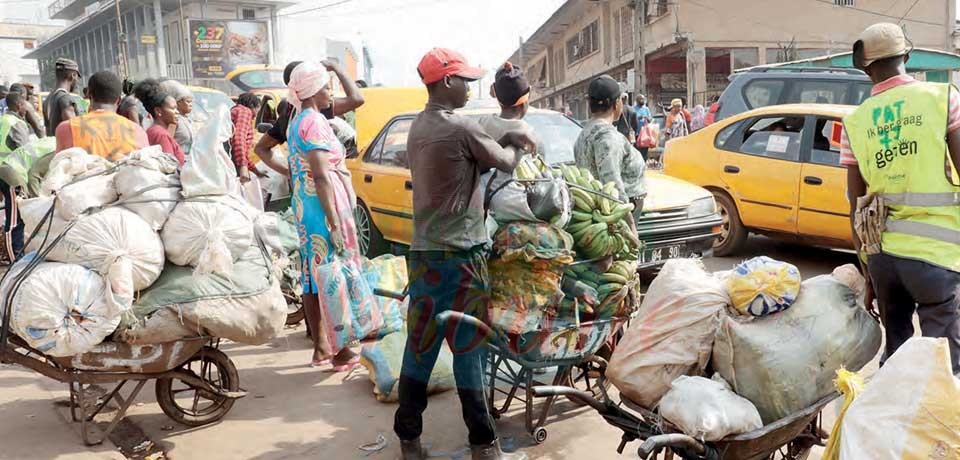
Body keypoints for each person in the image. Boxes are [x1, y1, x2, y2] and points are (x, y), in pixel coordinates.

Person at [395, 48, 535, 460]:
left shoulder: (418, 127)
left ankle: (409, 439)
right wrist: (519, 139)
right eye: (466, 82)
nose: (470, 89)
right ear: (446, 82)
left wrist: (501, 139)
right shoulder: (461, 127)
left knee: (419, 347)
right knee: (468, 350)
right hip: (462, 260)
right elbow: (506, 163)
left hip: (423, 257)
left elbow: (467, 165)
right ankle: (483, 445)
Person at [843, 22, 960, 375]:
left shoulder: (856, 122)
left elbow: (855, 206)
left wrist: (869, 275)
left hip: (885, 262)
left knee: (898, 361)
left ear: (866, 68)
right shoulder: (943, 99)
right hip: (936, 258)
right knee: (945, 368)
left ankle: (896, 426)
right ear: (906, 56)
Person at [258, 61, 363, 370]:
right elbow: (321, 176)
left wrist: (296, 174)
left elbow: (306, 169)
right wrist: (333, 223)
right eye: (328, 86)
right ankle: (340, 351)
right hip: (322, 206)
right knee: (332, 274)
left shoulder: (296, 120)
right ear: (316, 89)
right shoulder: (314, 122)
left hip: (307, 204)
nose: (331, 93)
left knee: (313, 275)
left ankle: (321, 346)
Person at [253, 60, 366, 168]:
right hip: (324, 176)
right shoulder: (314, 111)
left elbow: (260, 148)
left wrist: (289, 173)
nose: (329, 92)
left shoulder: (291, 114)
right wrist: (337, 69)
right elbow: (357, 99)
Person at [574, 75, 646, 228]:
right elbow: (611, 181)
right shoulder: (607, 137)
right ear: (617, 103)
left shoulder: (584, 133)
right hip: (616, 218)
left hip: (601, 214)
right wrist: (630, 225)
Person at [56, 71, 148, 160]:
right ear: (119, 101)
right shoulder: (137, 131)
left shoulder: (67, 128)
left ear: (90, 96)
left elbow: (60, 168)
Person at [0, 89, 34, 263]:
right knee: (15, 218)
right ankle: (16, 258)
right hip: (12, 173)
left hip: (2, 171)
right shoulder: (16, 123)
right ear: (20, 105)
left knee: (10, 213)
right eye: (25, 105)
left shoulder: (2, 120)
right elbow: (26, 151)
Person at [135, 79, 185, 166]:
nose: (177, 112)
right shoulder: (160, 134)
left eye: (176, 108)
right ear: (158, 111)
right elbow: (169, 166)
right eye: (173, 108)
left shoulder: (156, 131)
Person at [44, 58, 85, 137]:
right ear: (73, 75)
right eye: (77, 76)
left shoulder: (48, 99)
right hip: (68, 148)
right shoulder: (65, 98)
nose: (77, 81)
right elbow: (75, 132)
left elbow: (48, 131)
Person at [230, 93, 262, 182]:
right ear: (252, 106)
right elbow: (239, 138)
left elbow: (243, 151)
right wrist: (243, 167)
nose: (255, 117)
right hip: (232, 162)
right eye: (257, 111)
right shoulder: (245, 112)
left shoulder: (236, 111)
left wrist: (256, 171)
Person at [160, 80, 196, 155]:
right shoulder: (174, 120)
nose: (191, 104)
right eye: (188, 102)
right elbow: (167, 143)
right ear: (178, 102)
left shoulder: (187, 119)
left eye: (191, 102)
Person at [634, 94, 653, 159]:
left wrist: (646, 118)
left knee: (645, 151)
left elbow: (650, 120)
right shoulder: (634, 109)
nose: (642, 100)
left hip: (645, 134)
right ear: (637, 100)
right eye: (640, 99)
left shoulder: (646, 109)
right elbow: (632, 120)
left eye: (643, 99)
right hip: (637, 133)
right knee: (637, 150)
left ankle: (644, 164)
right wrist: (638, 118)